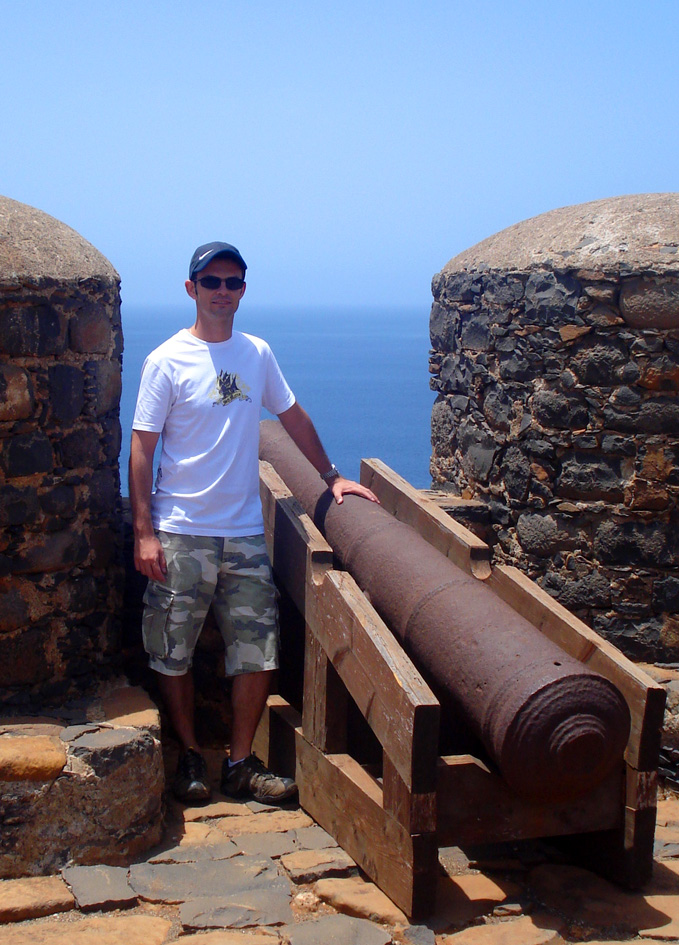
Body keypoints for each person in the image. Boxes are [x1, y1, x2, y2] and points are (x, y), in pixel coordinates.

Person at [130, 241, 379, 805]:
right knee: (173, 648)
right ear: (191, 288)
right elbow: (141, 449)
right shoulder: (166, 360)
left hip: (242, 529)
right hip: (181, 527)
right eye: (212, 281)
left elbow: (291, 416)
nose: (223, 291)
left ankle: (239, 763)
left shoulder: (256, 353)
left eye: (234, 282)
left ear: (243, 290)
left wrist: (332, 476)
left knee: (257, 648)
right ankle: (192, 755)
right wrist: (144, 531)